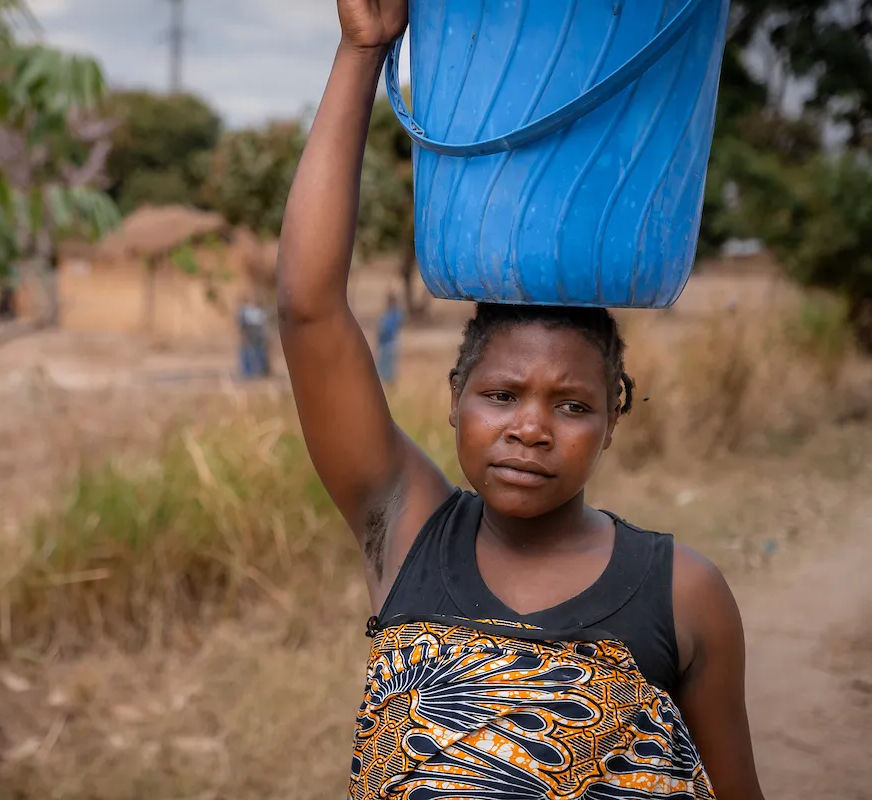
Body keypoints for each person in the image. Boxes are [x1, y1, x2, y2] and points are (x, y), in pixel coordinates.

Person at [275, 3, 765, 798]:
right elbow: (307, 308)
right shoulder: (406, 529)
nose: (531, 428)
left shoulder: (683, 594)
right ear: (456, 399)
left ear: (613, 420)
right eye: (502, 394)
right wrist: (362, 48)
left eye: (572, 406)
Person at [237, 294, 269, 379]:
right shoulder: (250, 311)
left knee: (254, 352)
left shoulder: (252, 312)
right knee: (250, 352)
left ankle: (255, 371)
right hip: (253, 334)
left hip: (254, 335)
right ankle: (250, 372)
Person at [376, 292, 404, 384]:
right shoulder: (389, 314)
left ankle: (389, 382)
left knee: (389, 366)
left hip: (390, 342)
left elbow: (388, 329)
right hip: (386, 343)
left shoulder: (394, 314)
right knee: (384, 366)